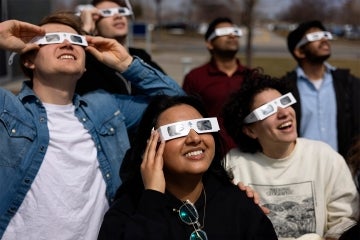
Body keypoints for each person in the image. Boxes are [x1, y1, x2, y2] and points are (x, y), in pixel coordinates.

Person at [0, 12, 184, 239]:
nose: (67, 43)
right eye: (52, 38)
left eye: (77, 40)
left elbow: (178, 104)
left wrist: (126, 64)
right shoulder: (7, 109)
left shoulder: (106, 107)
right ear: (28, 59)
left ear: (85, 64)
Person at [98, 95, 278, 240]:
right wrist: (152, 197)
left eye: (202, 126)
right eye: (177, 131)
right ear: (151, 146)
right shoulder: (127, 211)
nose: (194, 138)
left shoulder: (238, 203)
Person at [222, 69, 359, 240]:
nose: (284, 113)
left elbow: (345, 220)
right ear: (250, 130)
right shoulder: (233, 165)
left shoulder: (325, 157)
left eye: (285, 102)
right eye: (268, 110)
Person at [281, 20, 360, 159]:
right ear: (299, 52)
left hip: (342, 168)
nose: (323, 39)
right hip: (303, 170)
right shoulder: (284, 89)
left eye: (324, 35)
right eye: (314, 37)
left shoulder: (348, 83)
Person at [182, 17, 249, 156]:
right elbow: (187, 119)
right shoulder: (195, 78)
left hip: (250, 153)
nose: (232, 35)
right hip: (214, 155)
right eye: (224, 32)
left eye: (235, 32)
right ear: (209, 43)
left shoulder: (252, 76)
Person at [75, 0, 165, 95]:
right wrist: (85, 30)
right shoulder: (88, 63)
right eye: (107, 13)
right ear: (95, 27)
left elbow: (169, 91)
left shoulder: (142, 56)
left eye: (121, 11)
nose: (118, 16)